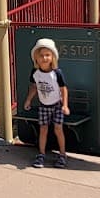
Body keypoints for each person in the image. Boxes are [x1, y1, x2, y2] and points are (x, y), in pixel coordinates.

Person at [23, 37, 69, 167]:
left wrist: (65, 105)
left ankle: (62, 154)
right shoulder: (35, 73)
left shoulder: (56, 73)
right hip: (44, 105)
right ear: (36, 58)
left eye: (47, 55)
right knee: (43, 129)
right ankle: (41, 154)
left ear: (52, 57)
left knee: (58, 129)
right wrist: (28, 100)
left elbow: (64, 89)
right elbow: (34, 87)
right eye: (41, 55)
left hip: (57, 105)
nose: (44, 58)